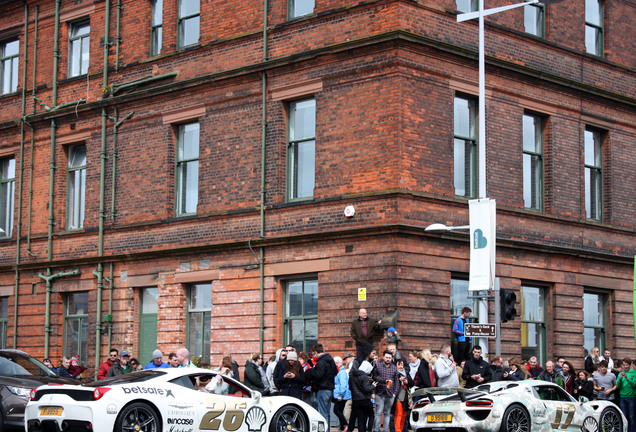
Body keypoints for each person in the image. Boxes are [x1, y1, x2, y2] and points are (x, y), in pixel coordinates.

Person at [305, 343, 338, 428]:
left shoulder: (321, 362)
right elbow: (335, 372)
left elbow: (318, 375)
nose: (313, 356)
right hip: (330, 389)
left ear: (316, 352)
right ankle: (327, 429)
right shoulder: (330, 360)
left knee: (322, 412)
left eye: (313, 354)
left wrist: (312, 370)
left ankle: (324, 430)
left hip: (322, 389)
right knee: (327, 412)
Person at [373, 350, 399, 432]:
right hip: (379, 392)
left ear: (392, 358)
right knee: (378, 412)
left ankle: (385, 430)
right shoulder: (378, 366)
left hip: (390, 393)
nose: (388, 359)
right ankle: (376, 429)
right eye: (387, 357)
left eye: (390, 358)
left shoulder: (394, 368)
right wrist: (373, 392)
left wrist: (395, 393)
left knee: (387, 413)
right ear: (383, 357)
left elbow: (396, 381)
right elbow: (374, 379)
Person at [349, 361, 376, 432]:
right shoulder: (364, 377)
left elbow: (350, 387)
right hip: (365, 399)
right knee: (371, 415)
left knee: (361, 418)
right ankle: (369, 430)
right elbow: (366, 389)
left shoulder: (353, 376)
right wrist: (373, 386)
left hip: (356, 400)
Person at [394, 358, 414, 432]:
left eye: (401, 364)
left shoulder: (406, 373)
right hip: (398, 397)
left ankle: (401, 429)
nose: (400, 366)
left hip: (406, 397)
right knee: (398, 413)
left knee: (403, 414)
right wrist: (399, 380)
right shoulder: (395, 373)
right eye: (399, 364)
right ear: (396, 365)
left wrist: (407, 381)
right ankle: (397, 429)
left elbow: (412, 383)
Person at [616, 358, 636, 432]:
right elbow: (618, 386)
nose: (625, 367)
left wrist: (627, 379)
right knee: (624, 416)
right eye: (624, 365)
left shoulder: (634, 373)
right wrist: (620, 379)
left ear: (630, 365)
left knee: (632, 416)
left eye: (627, 365)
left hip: (631, 397)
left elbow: (634, 385)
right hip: (622, 397)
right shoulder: (620, 374)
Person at [333, 356, 351, 432]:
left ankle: (345, 425)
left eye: (336, 363)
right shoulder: (339, 371)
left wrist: (340, 395)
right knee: (339, 410)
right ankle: (342, 427)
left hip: (342, 395)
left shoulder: (341, 372)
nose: (335, 364)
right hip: (341, 394)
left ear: (340, 363)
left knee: (336, 410)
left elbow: (343, 385)